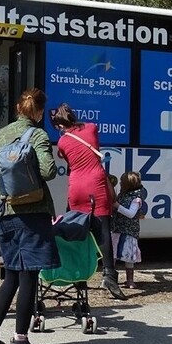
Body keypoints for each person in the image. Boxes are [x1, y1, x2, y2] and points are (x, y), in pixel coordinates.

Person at [0, 88, 59, 344]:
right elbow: (49, 171)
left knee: (11, 275)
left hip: (2, 211)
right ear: (37, 112)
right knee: (29, 276)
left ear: (17, 108)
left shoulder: (1, 135)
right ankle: (20, 341)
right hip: (31, 214)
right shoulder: (38, 134)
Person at [50, 103, 127, 301]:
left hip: (76, 187)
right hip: (96, 185)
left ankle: (78, 276)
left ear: (58, 125)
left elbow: (68, 160)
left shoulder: (63, 143)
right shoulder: (91, 128)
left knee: (78, 229)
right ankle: (109, 275)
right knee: (103, 232)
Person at [112, 171, 147, 289]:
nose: (120, 184)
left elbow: (131, 214)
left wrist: (117, 206)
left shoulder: (136, 199)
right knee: (113, 253)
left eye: (122, 182)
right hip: (117, 228)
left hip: (129, 231)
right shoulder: (122, 195)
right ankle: (110, 278)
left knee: (129, 256)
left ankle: (130, 280)